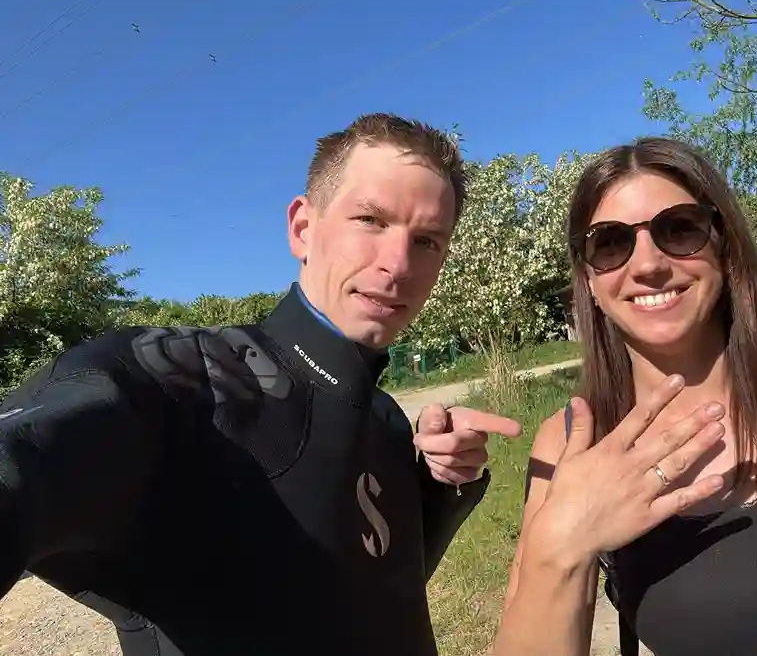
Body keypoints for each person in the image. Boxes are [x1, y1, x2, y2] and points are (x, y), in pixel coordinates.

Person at [0, 112, 522, 656]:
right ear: (303, 229)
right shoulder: (192, 381)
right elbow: (25, 459)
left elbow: (375, 596)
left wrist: (438, 484)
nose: (398, 264)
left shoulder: (387, 418)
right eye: (370, 219)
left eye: (427, 241)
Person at [493, 136, 757, 656]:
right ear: (589, 279)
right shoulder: (574, 444)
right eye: (611, 243)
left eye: (679, 229)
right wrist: (561, 549)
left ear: (723, 245)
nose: (648, 265)